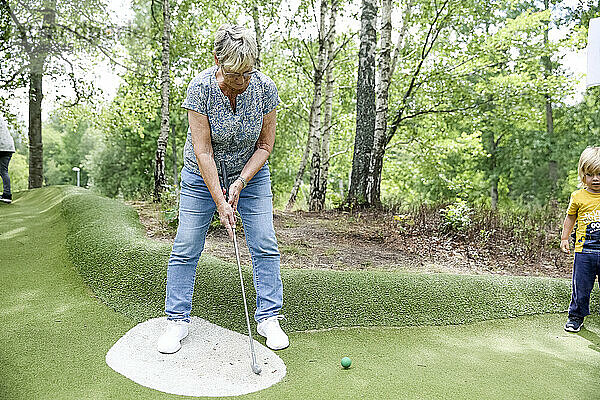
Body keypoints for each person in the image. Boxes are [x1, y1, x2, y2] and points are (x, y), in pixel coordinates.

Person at [157, 24, 288, 354]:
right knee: (187, 243)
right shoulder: (199, 88)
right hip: (201, 176)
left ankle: (269, 317)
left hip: (252, 173)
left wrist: (241, 182)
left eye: (248, 72)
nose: (242, 81)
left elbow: (265, 145)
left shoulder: (264, 88)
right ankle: (176, 320)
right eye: (235, 74)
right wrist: (220, 199)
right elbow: (203, 151)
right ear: (217, 60)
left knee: (264, 242)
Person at [560, 146, 600, 333]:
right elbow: (570, 218)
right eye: (590, 174)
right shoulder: (578, 196)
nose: (596, 179)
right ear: (582, 174)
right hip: (584, 251)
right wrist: (565, 238)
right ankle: (576, 317)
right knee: (581, 287)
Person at [0, 115, 15, 204]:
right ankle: (7, 195)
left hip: (2, 146)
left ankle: (6, 194)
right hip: (8, 147)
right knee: (3, 171)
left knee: (3, 171)